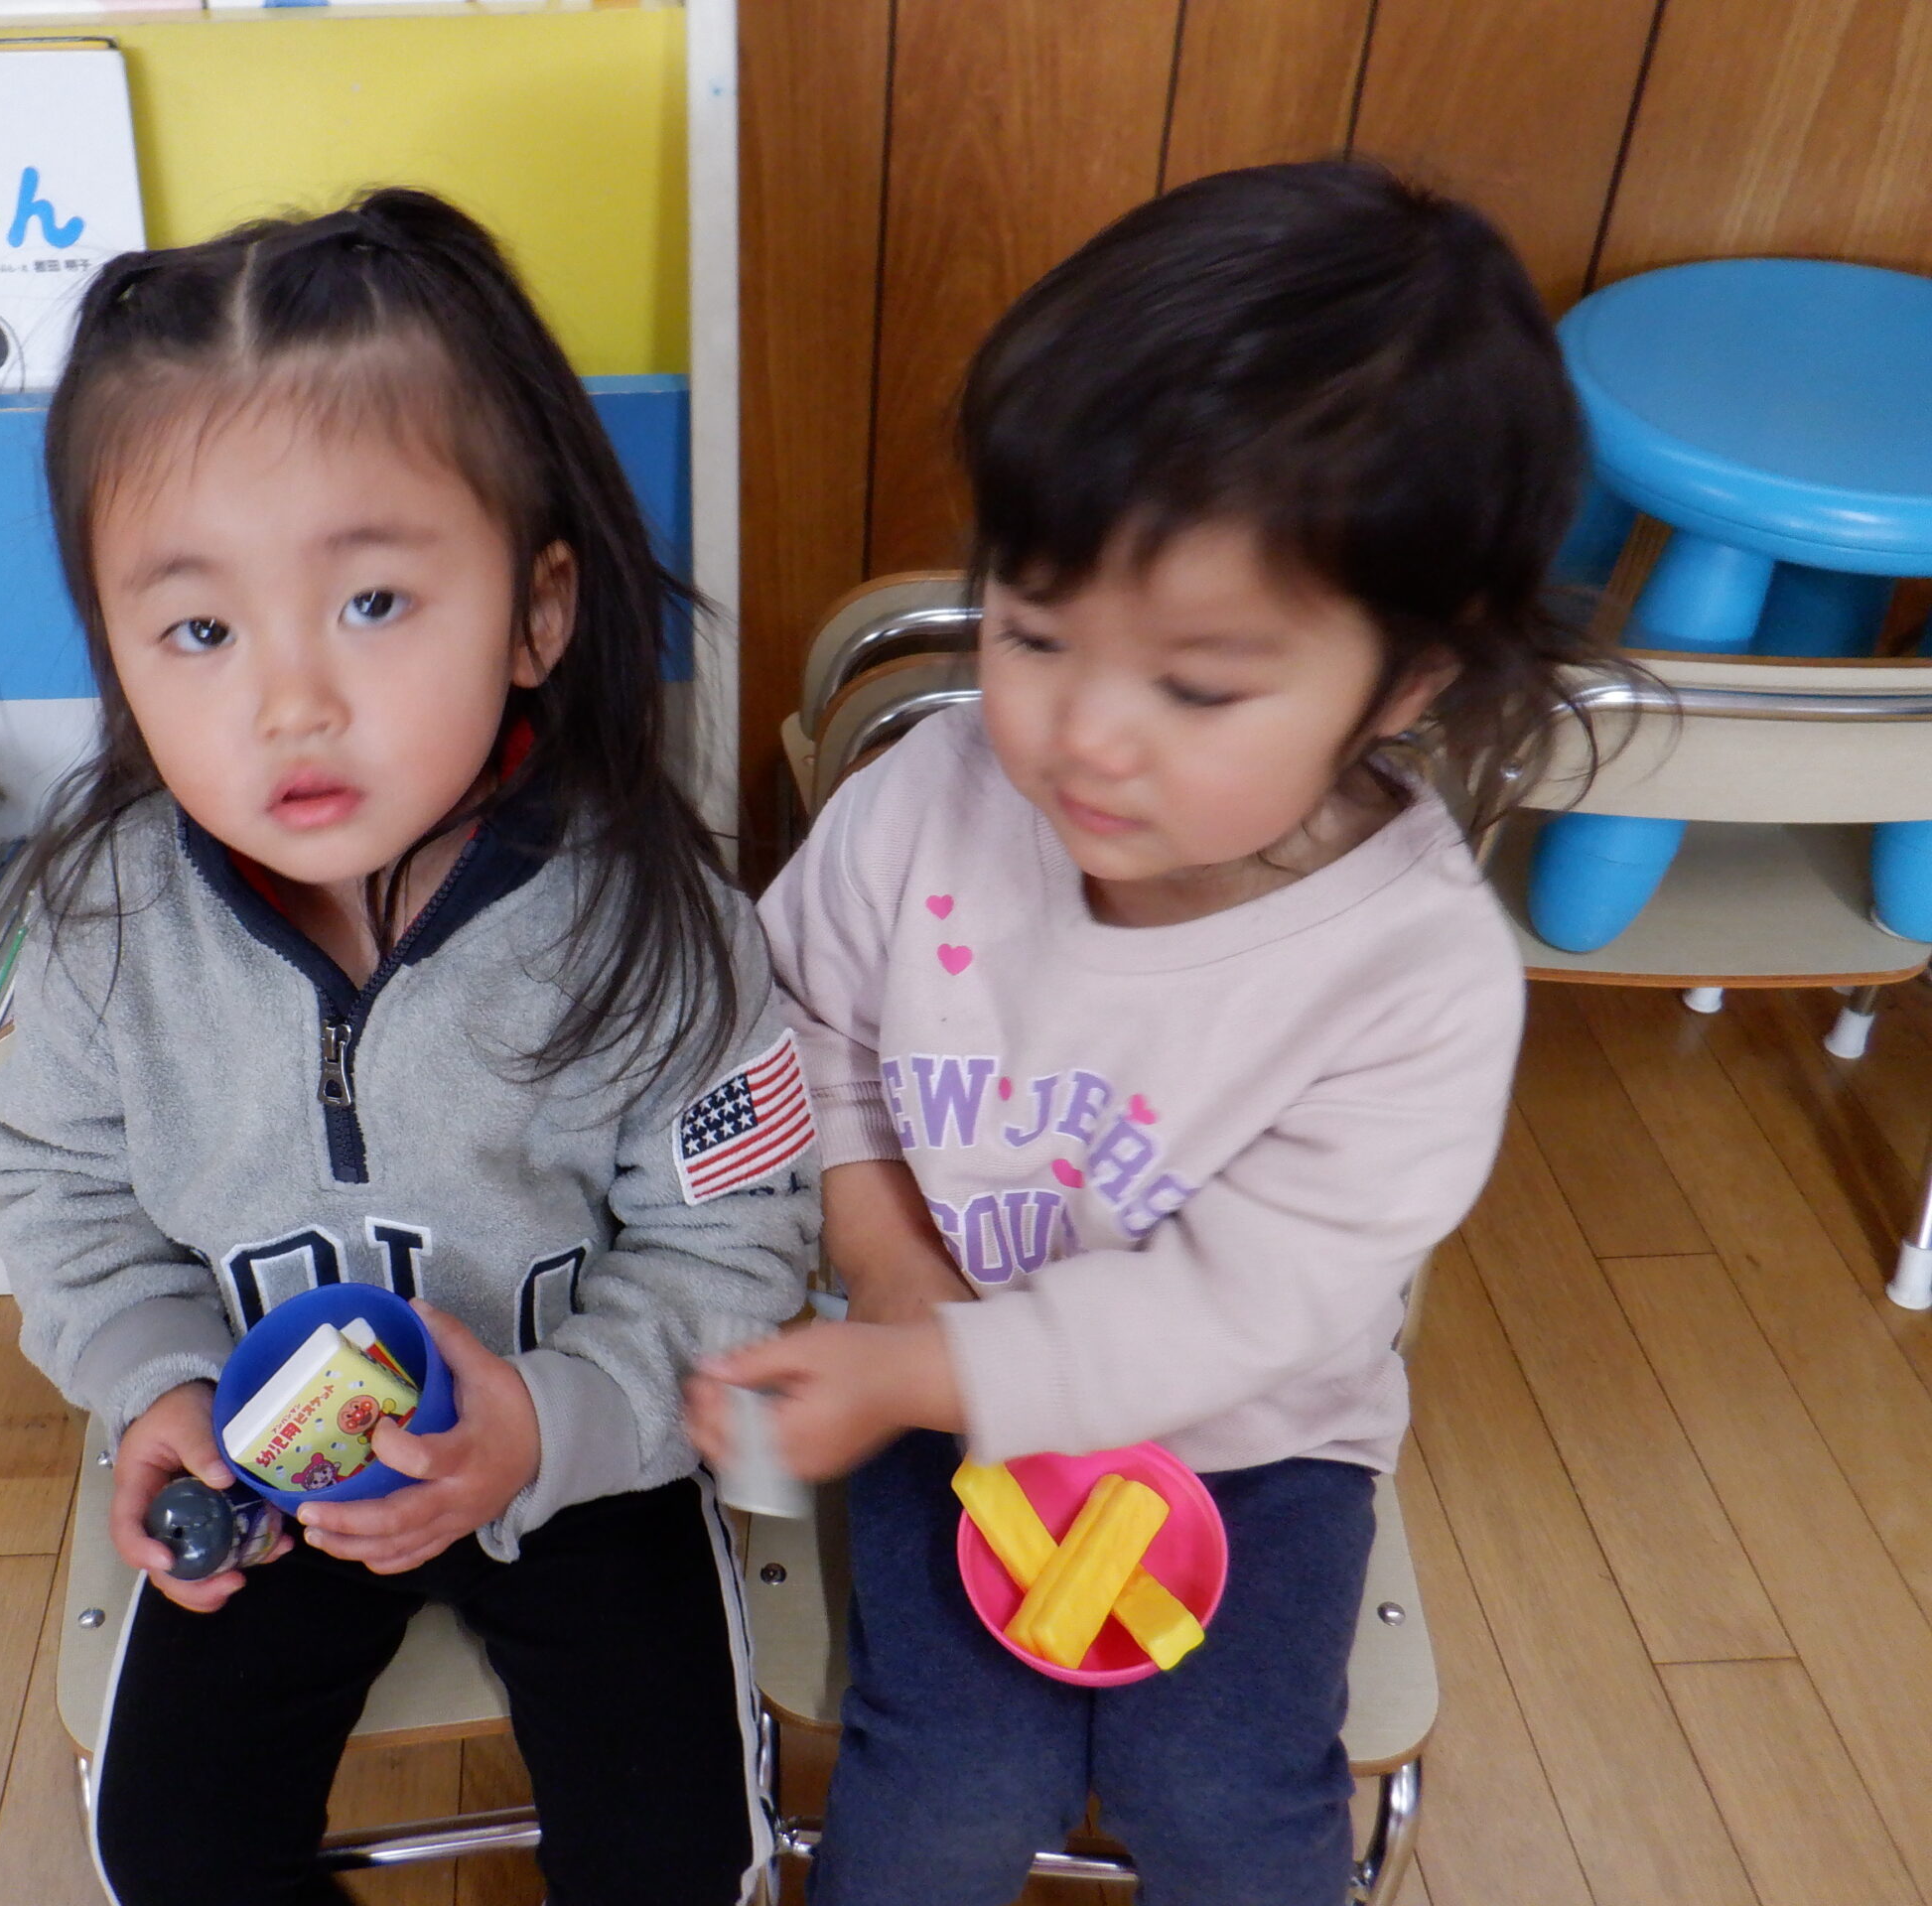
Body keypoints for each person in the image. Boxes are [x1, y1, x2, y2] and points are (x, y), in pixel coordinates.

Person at [690, 161, 1612, 1905]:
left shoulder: (1413, 976)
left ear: (1407, 680)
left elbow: (1249, 1306)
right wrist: (895, 1281)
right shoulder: (924, 805)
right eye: (1036, 632)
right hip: (934, 1370)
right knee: (948, 1786)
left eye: (1197, 684)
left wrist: (932, 1368)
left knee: (1226, 1799)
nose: (1086, 737)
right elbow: (798, 1031)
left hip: (1255, 1441)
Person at [0, 188, 817, 1906]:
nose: (288, 701)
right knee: (172, 1852)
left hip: (578, 1444)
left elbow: (739, 1241)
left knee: (678, 1854)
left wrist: (551, 1425)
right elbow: (58, 1190)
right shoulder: (108, 922)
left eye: (371, 602)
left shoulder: (658, 924)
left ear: (536, 610)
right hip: (268, 1448)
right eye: (199, 630)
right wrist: (162, 1383)